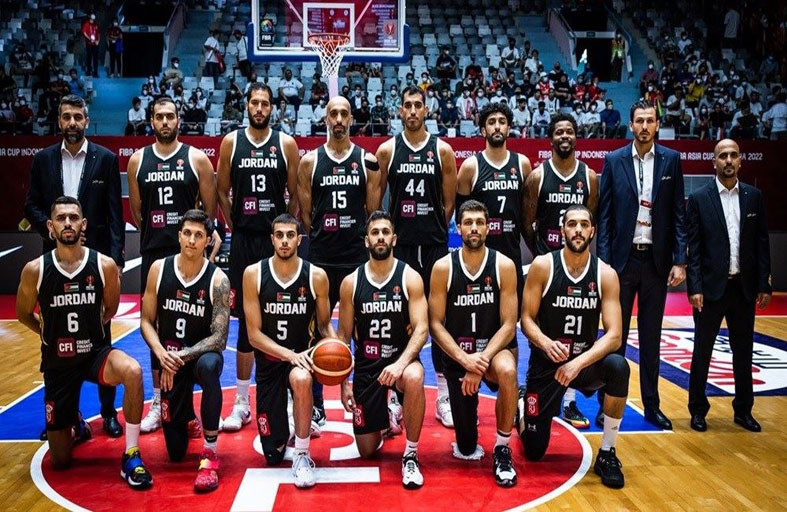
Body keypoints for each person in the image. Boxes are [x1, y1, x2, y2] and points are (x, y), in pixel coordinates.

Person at [16, 196, 153, 489]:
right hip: (58, 363)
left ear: (84, 224)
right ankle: (75, 424)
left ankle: (131, 454)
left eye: (73, 217)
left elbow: (110, 309)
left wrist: (87, 334)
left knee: (132, 371)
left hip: (94, 354)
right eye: (61, 218)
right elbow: (23, 313)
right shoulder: (35, 270)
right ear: (50, 227)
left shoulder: (104, 265)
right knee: (60, 461)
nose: (68, 223)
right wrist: (47, 332)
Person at [24, 95, 126, 439]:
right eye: (66, 116)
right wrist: (52, 232)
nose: (72, 123)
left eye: (78, 117)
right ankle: (65, 416)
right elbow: (31, 206)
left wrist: (116, 260)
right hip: (56, 263)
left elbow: (115, 214)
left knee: (102, 334)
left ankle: (109, 413)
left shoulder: (105, 159)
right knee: (55, 340)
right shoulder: (43, 159)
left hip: (95, 262)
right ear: (59, 120)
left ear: (87, 120)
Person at [519, 204, 629, 488]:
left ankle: (607, 452)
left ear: (592, 231)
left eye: (584, 224)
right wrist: (545, 343)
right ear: (562, 231)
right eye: (571, 224)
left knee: (618, 366)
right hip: (547, 365)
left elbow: (615, 335)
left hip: (583, 364)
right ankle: (523, 405)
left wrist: (578, 362)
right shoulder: (543, 266)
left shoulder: (605, 274)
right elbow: (526, 319)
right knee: (534, 451)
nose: (578, 230)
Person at [126, 97, 217, 434]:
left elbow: (208, 212)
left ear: (179, 120)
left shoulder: (196, 159)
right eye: (159, 116)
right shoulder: (137, 161)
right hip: (155, 254)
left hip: (191, 254)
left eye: (170, 116)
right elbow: (138, 213)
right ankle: (157, 400)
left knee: (193, 327)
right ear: (151, 120)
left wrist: (193, 242)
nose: (165, 122)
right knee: (158, 327)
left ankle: (189, 406)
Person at [597, 100, 687, 430]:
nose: (645, 126)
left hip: (655, 262)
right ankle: (606, 405)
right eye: (640, 121)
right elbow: (604, 216)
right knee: (615, 339)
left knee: (651, 338)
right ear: (631, 125)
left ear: (657, 124)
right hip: (621, 262)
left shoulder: (671, 160)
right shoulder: (614, 160)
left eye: (650, 120)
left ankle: (652, 405)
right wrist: (604, 263)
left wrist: (680, 259)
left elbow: (678, 213)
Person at [216, 83, 299, 433]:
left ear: (272, 108)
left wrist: (284, 230)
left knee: (289, 316)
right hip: (244, 243)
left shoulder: (286, 143)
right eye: (255, 103)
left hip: (276, 243)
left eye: (265, 103)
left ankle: (294, 398)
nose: (260, 108)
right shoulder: (231, 142)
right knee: (245, 325)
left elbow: (295, 193)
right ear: (247, 105)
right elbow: (221, 191)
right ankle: (241, 402)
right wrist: (236, 225)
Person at [297, 95, 382, 426]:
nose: (338, 119)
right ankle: (316, 404)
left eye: (344, 113)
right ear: (325, 119)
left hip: (356, 259)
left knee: (363, 331)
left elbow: (372, 213)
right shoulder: (310, 162)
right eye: (333, 113)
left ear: (351, 119)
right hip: (321, 259)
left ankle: (366, 398)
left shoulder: (366, 161)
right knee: (317, 330)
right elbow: (307, 216)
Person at [376, 86, 457, 428]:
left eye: (417, 105)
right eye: (406, 105)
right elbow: (375, 202)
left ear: (426, 110)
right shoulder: (387, 150)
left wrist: (432, 227)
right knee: (397, 323)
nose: (412, 111)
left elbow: (448, 203)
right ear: (400, 111)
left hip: (434, 247)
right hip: (402, 249)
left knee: (439, 321)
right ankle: (394, 398)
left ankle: (443, 396)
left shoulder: (443, 151)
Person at [428, 200, 520, 487]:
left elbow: (509, 324)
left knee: (508, 370)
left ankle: (502, 448)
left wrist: (479, 362)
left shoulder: (504, 266)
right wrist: (465, 360)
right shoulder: (443, 268)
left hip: (493, 353)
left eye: (480, 222)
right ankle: (506, 405)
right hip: (459, 358)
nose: (474, 228)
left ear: (489, 228)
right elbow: (435, 324)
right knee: (466, 447)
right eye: (468, 222)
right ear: (458, 228)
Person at [242, 213, 334, 487]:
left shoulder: (316, 276)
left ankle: (303, 455)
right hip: (270, 363)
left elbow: (324, 326)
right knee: (272, 454)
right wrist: (289, 354)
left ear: (299, 240)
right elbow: (254, 335)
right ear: (272, 239)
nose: (284, 241)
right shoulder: (253, 274)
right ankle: (291, 419)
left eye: (290, 235)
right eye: (279, 235)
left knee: (302, 379)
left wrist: (340, 354)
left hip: (302, 361)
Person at [686, 139, 771, 433]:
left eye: (733, 155)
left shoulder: (754, 196)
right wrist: (694, 287)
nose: (728, 160)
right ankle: (698, 410)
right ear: (714, 162)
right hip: (710, 289)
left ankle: (743, 410)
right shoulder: (699, 198)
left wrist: (764, 283)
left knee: (744, 351)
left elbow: (761, 242)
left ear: (740, 160)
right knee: (702, 352)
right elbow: (694, 247)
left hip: (743, 289)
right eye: (723, 156)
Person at [338, 211, 428, 488]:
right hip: (367, 367)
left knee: (414, 377)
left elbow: (422, 329)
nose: (380, 237)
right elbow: (343, 337)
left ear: (394, 239)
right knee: (367, 450)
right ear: (366, 240)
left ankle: (410, 454)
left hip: (400, 361)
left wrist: (400, 365)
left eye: (385, 232)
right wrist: (343, 383)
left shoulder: (410, 277)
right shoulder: (351, 282)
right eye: (375, 232)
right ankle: (386, 417)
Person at [140, 209, 229, 492]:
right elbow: (146, 321)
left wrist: (179, 356)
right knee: (176, 453)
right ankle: (188, 417)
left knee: (209, 366)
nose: (192, 240)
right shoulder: (159, 269)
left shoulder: (218, 280)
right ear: (179, 236)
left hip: (200, 357)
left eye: (199, 235)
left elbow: (219, 338)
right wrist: (161, 354)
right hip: (170, 360)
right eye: (187, 233)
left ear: (208, 241)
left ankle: (210, 452)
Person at [522, 113, 597, 428]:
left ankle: (569, 401)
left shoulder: (589, 177)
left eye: (569, 131)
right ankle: (535, 387)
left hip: (578, 265)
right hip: (547, 266)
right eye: (559, 132)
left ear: (576, 137)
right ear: (550, 138)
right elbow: (528, 222)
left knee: (576, 332)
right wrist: (543, 255)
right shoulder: (538, 176)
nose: (564, 136)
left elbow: (589, 220)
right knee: (540, 332)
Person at [456, 102, 531, 318]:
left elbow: (528, 211)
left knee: (511, 320)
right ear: (483, 130)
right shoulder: (471, 166)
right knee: (480, 318)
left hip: (512, 251)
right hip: (479, 254)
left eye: (502, 122)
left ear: (509, 128)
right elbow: (462, 215)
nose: (497, 126)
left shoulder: (522, 164)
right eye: (491, 122)